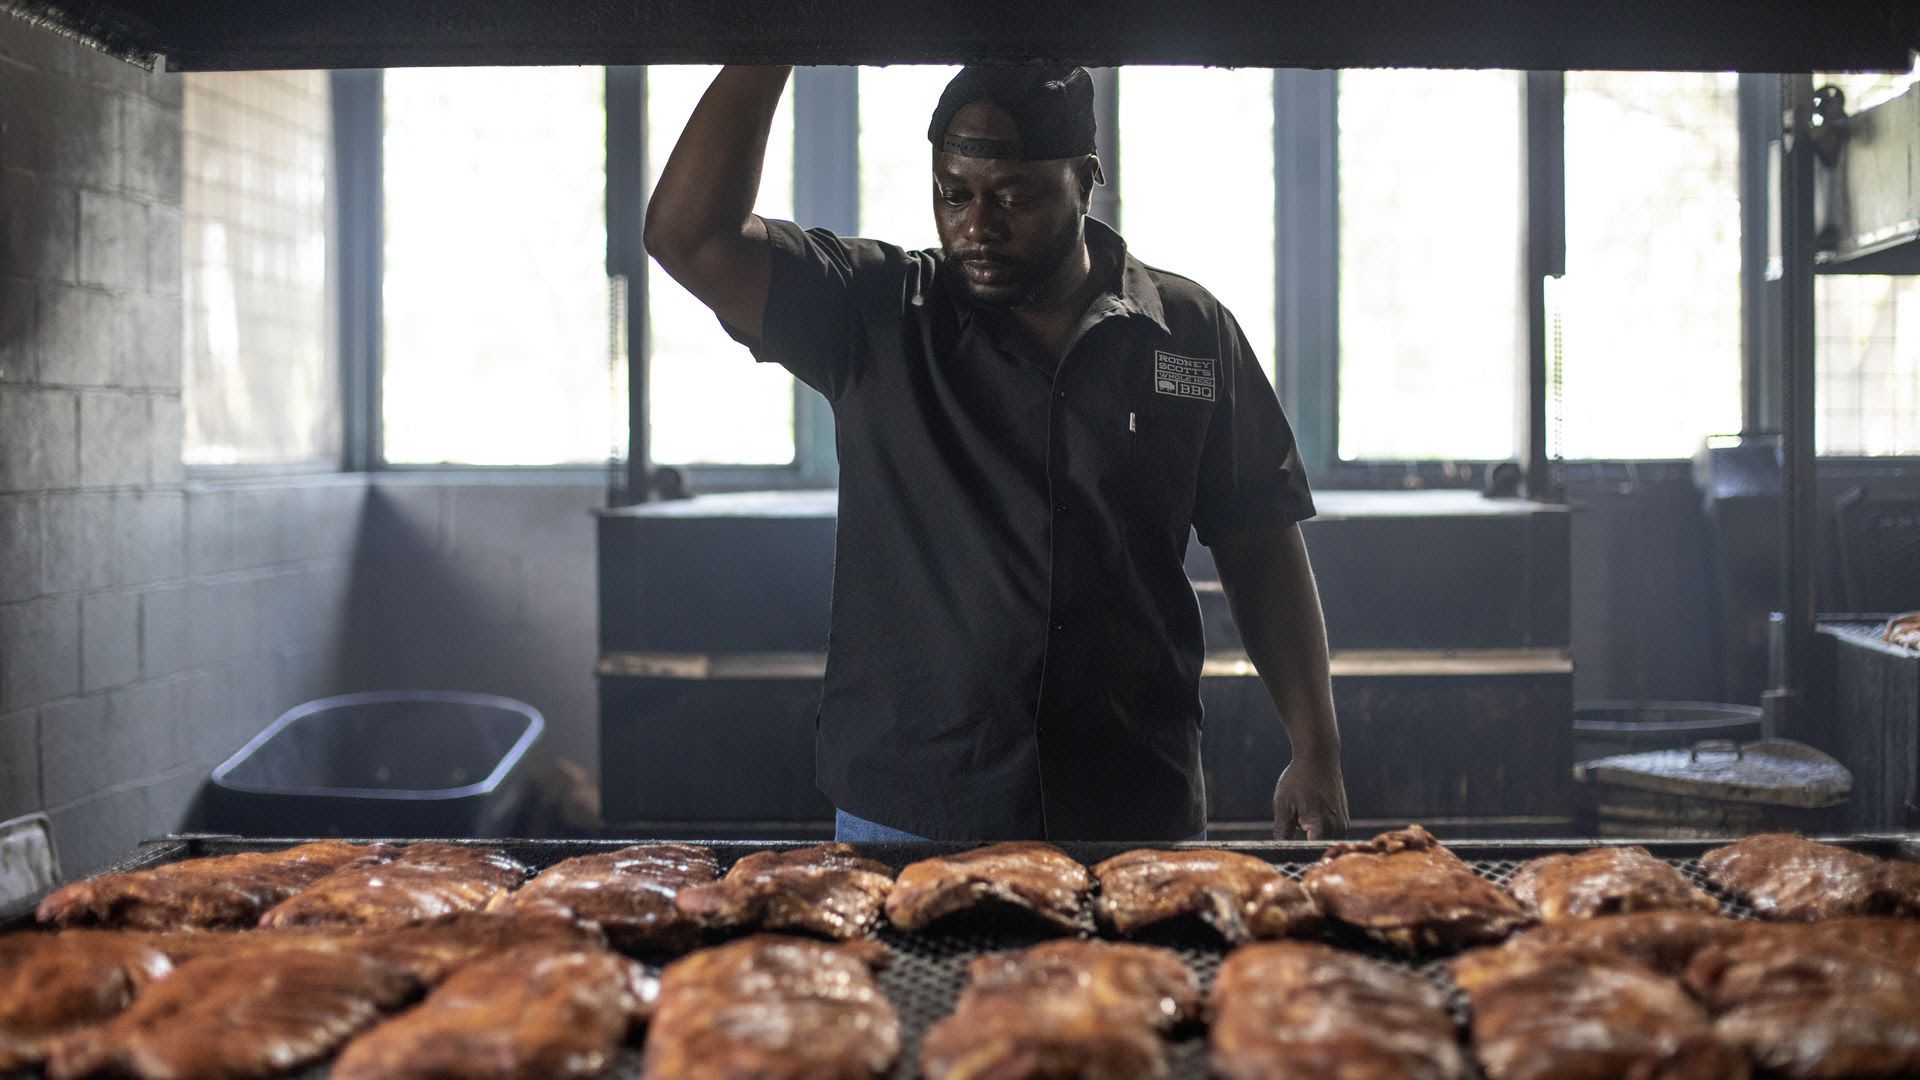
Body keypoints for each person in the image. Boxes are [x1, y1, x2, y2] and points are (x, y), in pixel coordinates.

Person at [644, 65, 1348, 842]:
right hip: (915, 810)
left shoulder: (1190, 331)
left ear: (1085, 182)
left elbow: (1260, 540)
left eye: (1014, 198)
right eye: (953, 193)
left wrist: (1315, 748)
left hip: (1130, 801)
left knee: (1142, 973)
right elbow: (689, 236)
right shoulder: (877, 312)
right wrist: (771, 42)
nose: (976, 226)